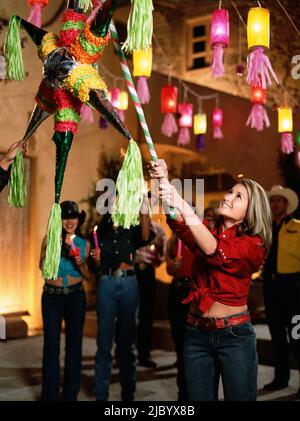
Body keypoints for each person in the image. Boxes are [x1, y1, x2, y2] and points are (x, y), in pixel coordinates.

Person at [148, 159, 272, 401]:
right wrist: (162, 178)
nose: (228, 197)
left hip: (234, 336)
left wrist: (182, 202)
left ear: (251, 211)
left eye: (238, 196)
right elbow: (180, 222)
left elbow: (213, 249)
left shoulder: (254, 244)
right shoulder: (206, 228)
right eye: (230, 192)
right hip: (196, 333)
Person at [90, 193, 154, 401]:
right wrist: (97, 260)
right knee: (104, 343)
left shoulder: (132, 226)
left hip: (129, 283)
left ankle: (128, 395)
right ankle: (102, 395)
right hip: (107, 283)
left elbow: (145, 237)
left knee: (127, 344)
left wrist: (144, 208)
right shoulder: (100, 232)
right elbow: (95, 266)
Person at [39, 201, 92, 401]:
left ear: (78, 219)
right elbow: (41, 267)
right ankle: (50, 395)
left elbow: (89, 277)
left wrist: (80, 263)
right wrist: (49, 251)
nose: (69, 221)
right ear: (59, 220)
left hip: (75, 296)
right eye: (65, 217)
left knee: (74, 346)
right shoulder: (48, 239)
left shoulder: (85, 244)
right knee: (51, 346)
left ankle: (70, 395)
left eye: (73, 217)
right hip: (52, 296)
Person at [262, 185, 300, 397]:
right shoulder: (265, 229)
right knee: (277, 336)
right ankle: (281, 378)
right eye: (272, 200)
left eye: (279, 200)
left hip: (292, 288)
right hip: (271, 287)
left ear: (286, 204)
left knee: (298, 336)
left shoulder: (298, 227)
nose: (275, 203)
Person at [135, 220, 167, 369]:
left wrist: (157, 259)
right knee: (126, 314)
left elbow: (163, 252)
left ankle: (144, 354)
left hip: (147, 272)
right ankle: (120, 353)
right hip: (131, 272)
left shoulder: (157, 229)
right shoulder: (130, 224)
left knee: (146, 315)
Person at [166, 233, 194, 401]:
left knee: (193, 346)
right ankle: (183, 393)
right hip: (176, 291)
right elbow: (169, 268)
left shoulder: (199, 236)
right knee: (180, 345)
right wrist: (172, 266)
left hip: (194, 292)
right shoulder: (173, 241)